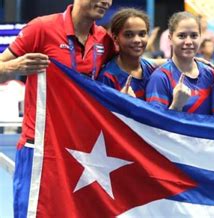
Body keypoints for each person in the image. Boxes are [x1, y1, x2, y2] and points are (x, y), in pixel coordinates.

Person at [0, 0, 115, 216]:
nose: (105, 1)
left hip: (79, 152)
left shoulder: (104, 40)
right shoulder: (41, 28)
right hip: (39, 148)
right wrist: (13, 67)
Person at [146, 11, 214, 114]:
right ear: (170, 38)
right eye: (182, 36)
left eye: (194, 36)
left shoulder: (210, 74)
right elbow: (155, 127)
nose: (189, 42)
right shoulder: (160, 78)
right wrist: (176, 106)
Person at [97, 8, 159, 100]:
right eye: (129, 35)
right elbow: (102, 113)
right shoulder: (108, 77)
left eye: (142, 34)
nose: (137, 40)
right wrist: (122, 103)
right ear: (115, 38)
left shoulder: (152, 69)